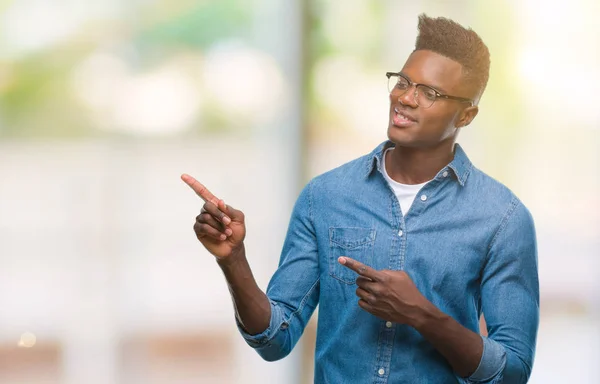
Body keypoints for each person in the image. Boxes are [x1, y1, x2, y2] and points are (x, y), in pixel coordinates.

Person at [182, 14, 539, 384]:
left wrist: (422, 314)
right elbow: (275, 339)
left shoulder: (502, 218)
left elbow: (510, 372)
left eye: (429, 93)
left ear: (466, 115)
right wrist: (233, 261)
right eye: (403, 81)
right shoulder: (325, 196)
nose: (405, 98)